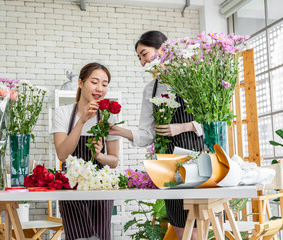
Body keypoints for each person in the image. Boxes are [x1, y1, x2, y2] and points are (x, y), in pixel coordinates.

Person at [108, 31, 204, 239]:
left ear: (163, 49)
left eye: (144, 54)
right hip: (170, 166)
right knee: (179, 226)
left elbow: (211, 122)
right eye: (140, 58)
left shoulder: (191, 77)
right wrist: (119, 131)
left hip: (197, 161)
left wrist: (183, 126)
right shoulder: (150, 89)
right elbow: (147, 135)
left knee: (198, 228)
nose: (143, 62)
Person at [51, 62, 120, 240]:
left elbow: (114, 161)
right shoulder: (63, 113)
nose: (100, 89)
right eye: (94, 82)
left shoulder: (108, 116)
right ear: (80, 83)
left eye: (104, 84)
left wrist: (100, 156)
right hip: (71, 190)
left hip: (101, 190)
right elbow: (62, 154)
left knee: (100, 237)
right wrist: (81, 121)